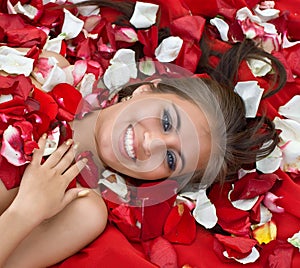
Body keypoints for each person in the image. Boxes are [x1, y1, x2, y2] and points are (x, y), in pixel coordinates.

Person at [0, 0, 292, 267]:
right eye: (166, 121)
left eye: (170, 158)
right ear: (145, 88)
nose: (151, 143)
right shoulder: (48, 73)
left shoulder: (82, 209)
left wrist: (27, 211)